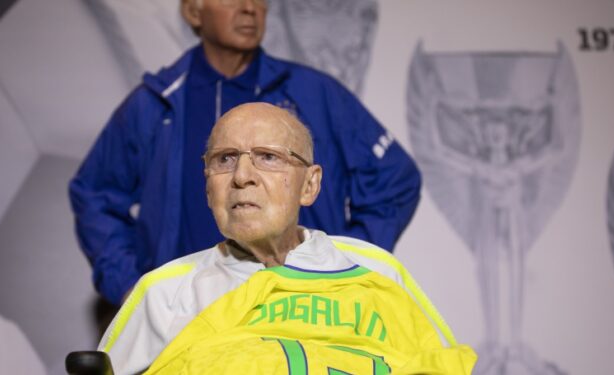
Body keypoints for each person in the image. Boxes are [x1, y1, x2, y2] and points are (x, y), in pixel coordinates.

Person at [69, 0, 421, 305]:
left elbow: (395, 179)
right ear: (193, 11)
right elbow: (95, 193)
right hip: (189, 317)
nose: (250, 8)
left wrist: (343, 264)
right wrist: (130, 285)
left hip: (298, 312)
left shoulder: (314, 92)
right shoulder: (156, 103)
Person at [98, 103, 475, 374]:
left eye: (267, 157)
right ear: (208, 187)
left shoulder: (376, 271)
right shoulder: (165, 293)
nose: (242, 175)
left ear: (309, 185)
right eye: (225, 159)